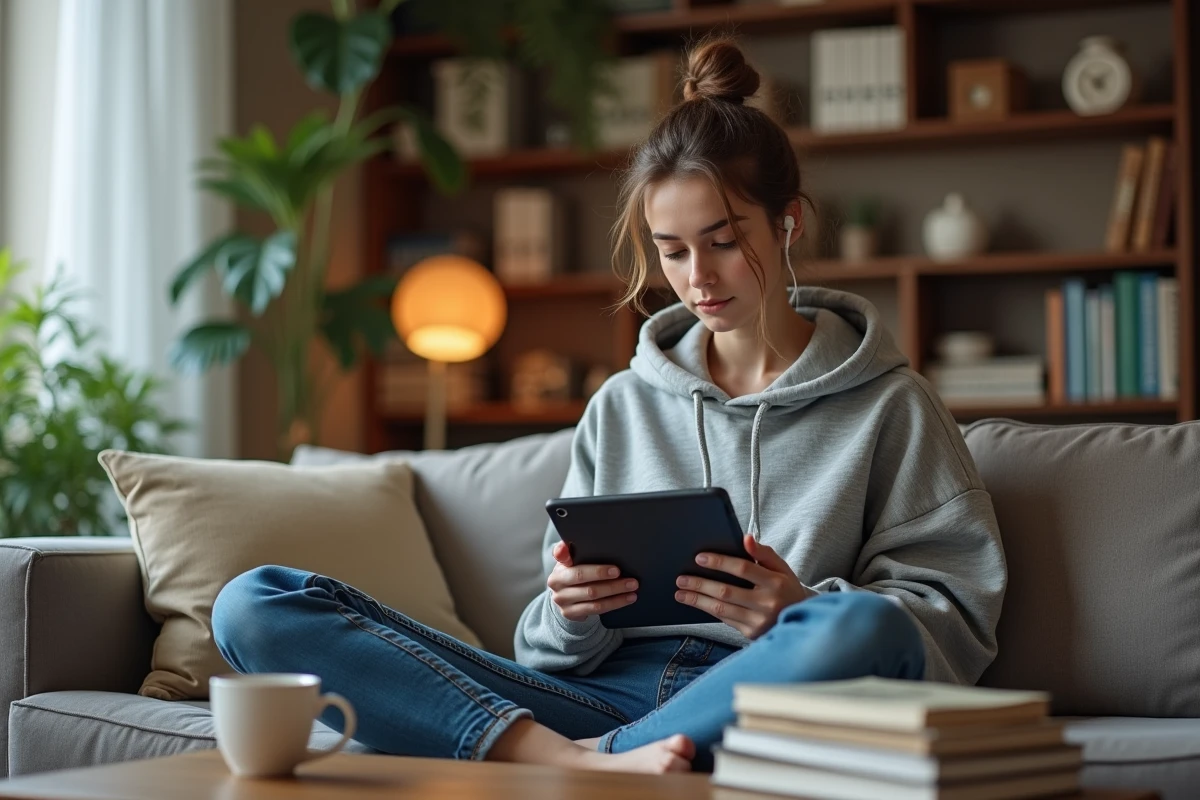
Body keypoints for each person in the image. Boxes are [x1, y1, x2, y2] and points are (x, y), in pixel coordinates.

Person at [212, 37, 1006, 775]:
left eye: (724, 239)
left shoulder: (891, 404)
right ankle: (586, 763)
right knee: (256, 602)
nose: (699, 276)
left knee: (860, 626)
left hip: (767, 693)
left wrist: (798, 608)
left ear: (787, 223)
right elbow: (546, 656)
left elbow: (951, 626)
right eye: (672, 251)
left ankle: (599, 762)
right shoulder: (624, 404)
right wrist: (570, 613)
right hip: (596, 703)